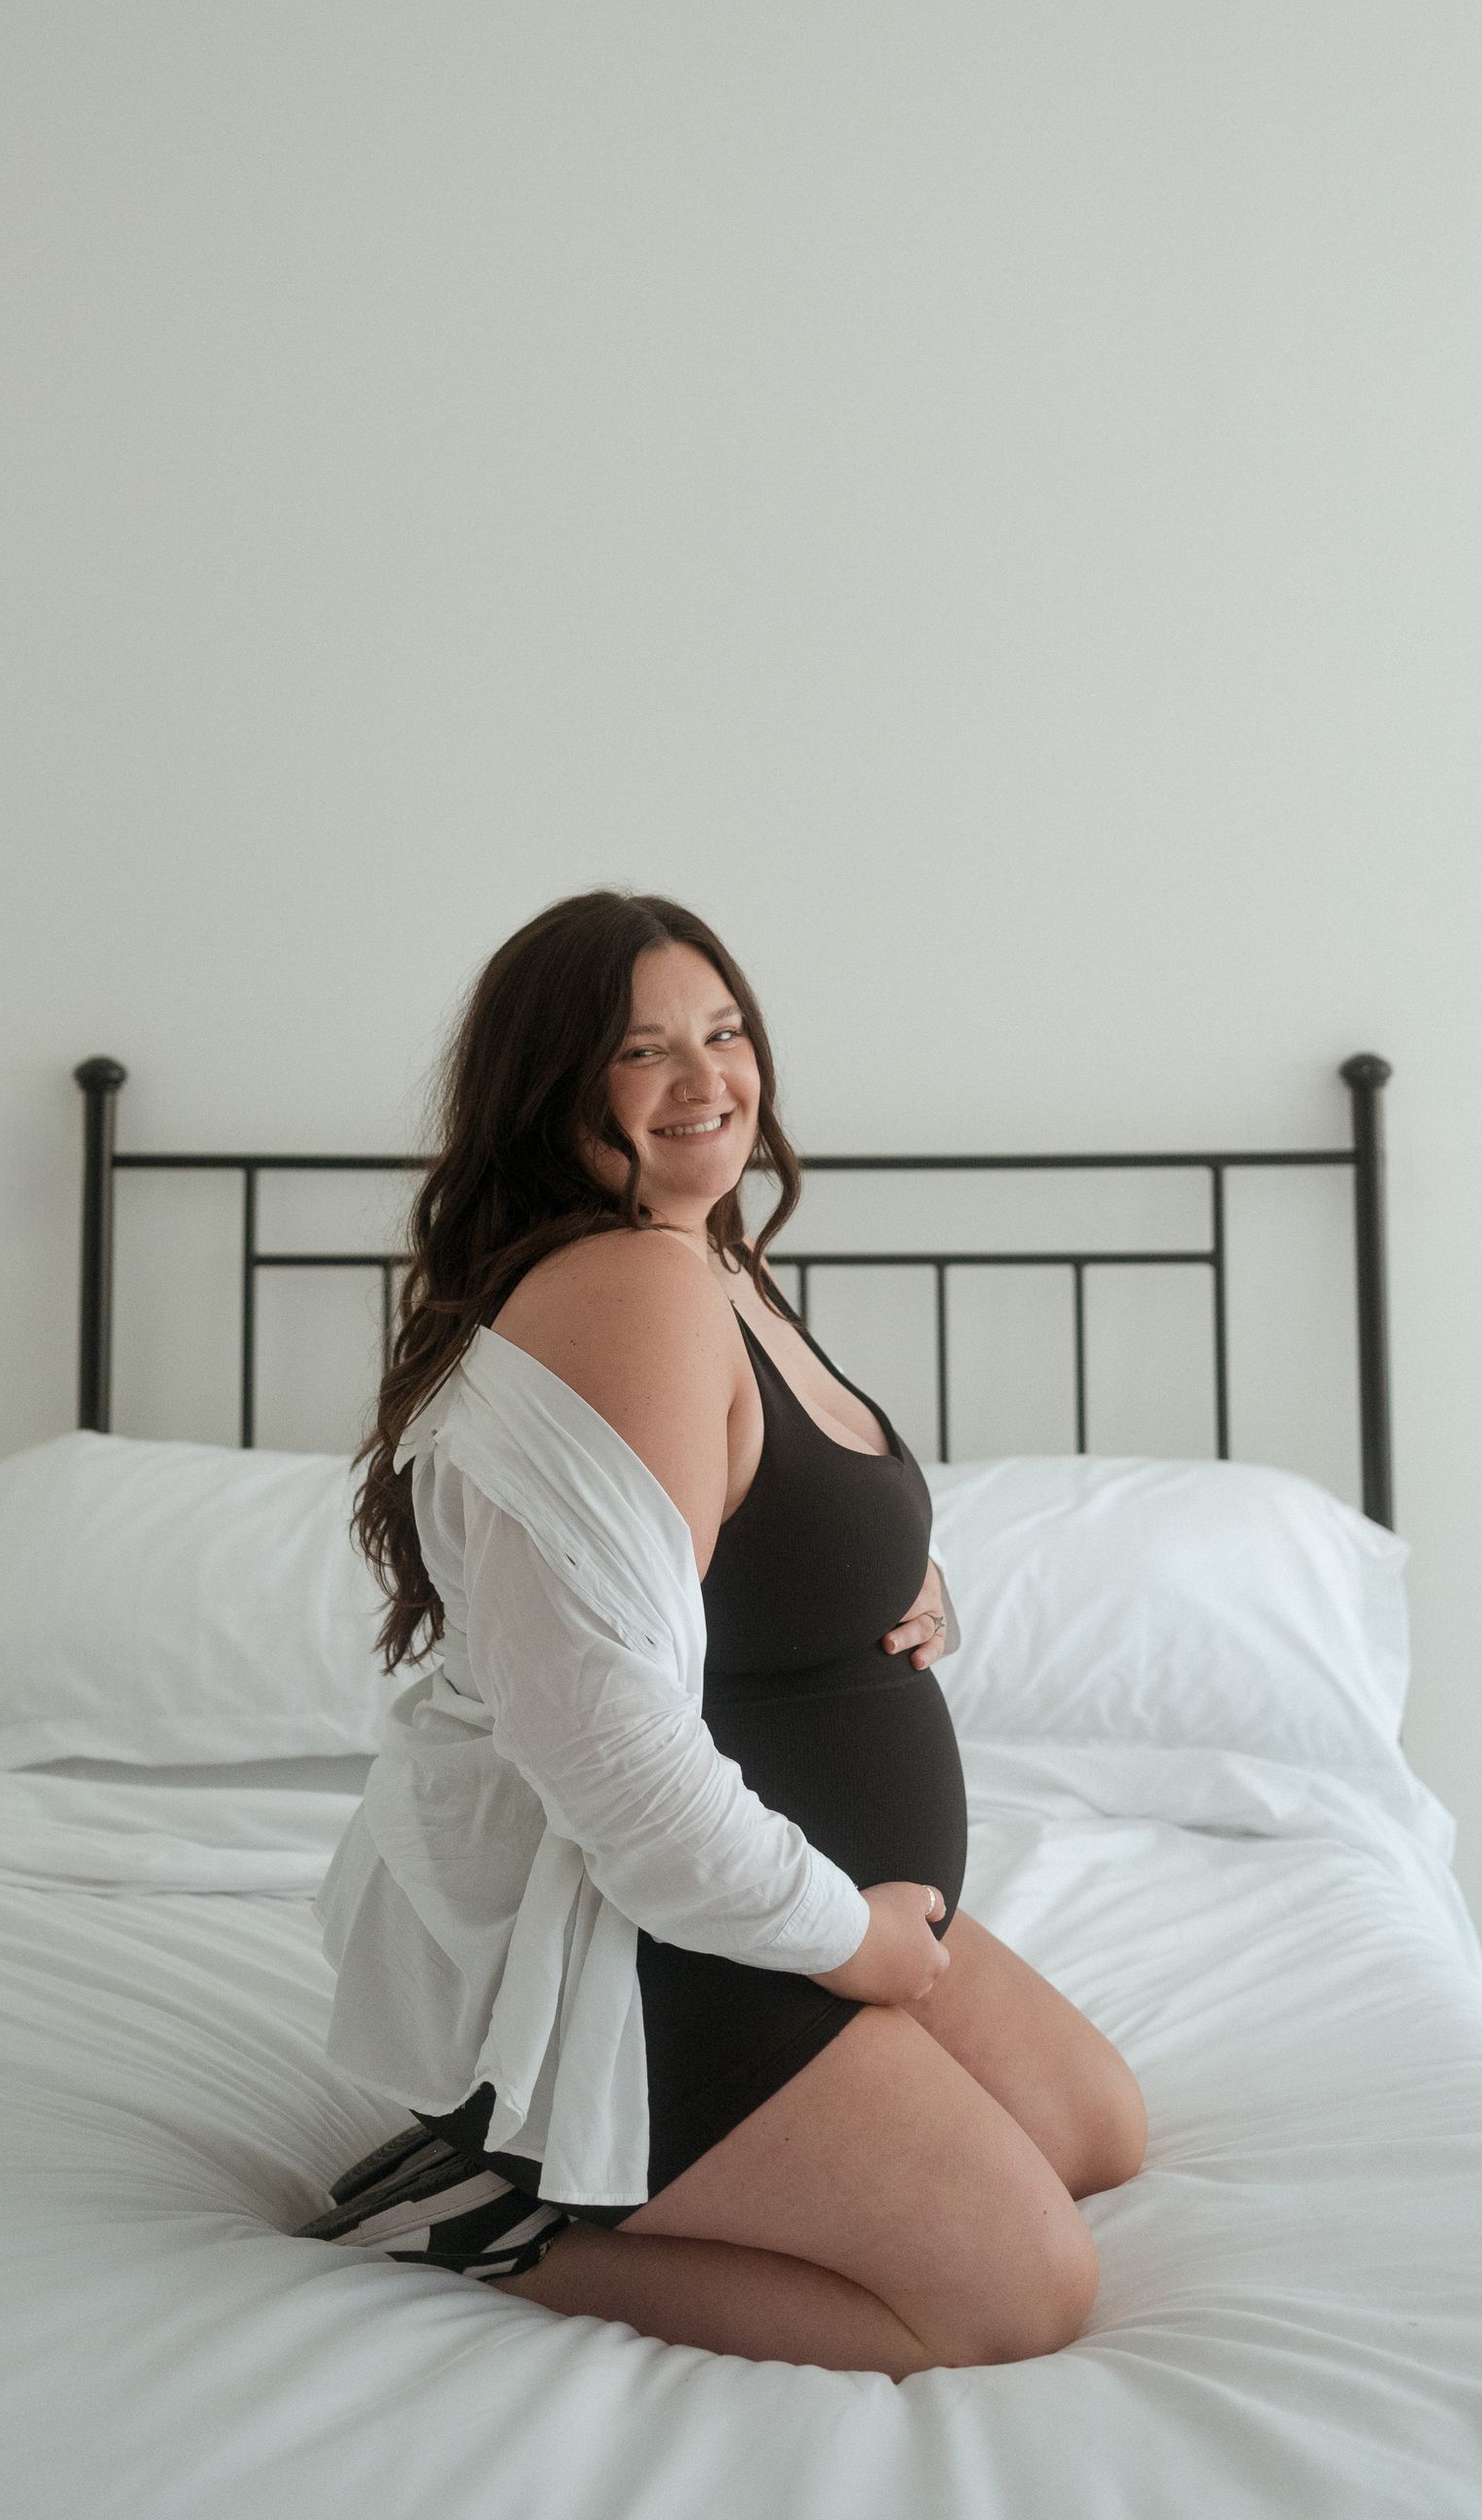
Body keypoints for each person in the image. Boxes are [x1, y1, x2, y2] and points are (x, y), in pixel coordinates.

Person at [300, 890, 1145, 2376]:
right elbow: (611, 1750)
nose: (708, 1081)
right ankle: (491, 2224)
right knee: (1022, 2295)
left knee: (1093, 2133)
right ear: (554, 1096)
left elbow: (740, 1551)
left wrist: (906, 1576)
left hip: (781, 1913)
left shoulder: (708, 1264)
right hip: (670, 1950)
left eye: (726, 1031)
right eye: (645, 1053)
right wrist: (842, 1941)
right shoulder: (628, 1289)